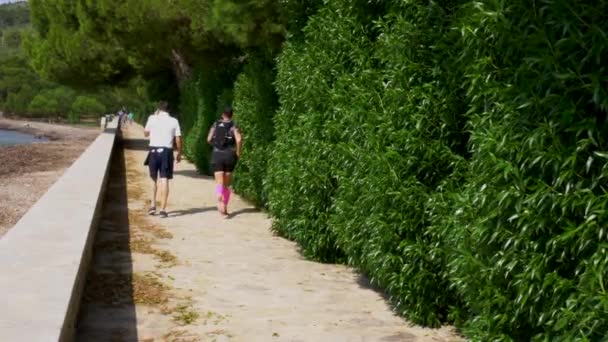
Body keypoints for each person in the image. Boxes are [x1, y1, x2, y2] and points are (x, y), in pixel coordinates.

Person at [144, 101, 182, 218]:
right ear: (169, 110)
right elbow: (178, 139)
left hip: (153, 151)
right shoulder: (174, 121)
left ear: (158, 109)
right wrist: (179, 153)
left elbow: (145, 133)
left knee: (154, 179)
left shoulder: (152, 118)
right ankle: (163, 209)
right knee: (164, 179)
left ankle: (153, 205)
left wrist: (155, 115)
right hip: (166, 152)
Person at [207, 106, 242, 216]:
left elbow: (208, 139)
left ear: (223, 114)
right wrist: (238, 152)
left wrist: (215, 145)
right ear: (232, 115)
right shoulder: (234, 125)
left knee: (219, 182)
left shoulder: (215, 124)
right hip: (230, 155)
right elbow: (239, 139)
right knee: (226, 185)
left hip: (217, 154)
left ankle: (219, 198)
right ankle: (225, 206)